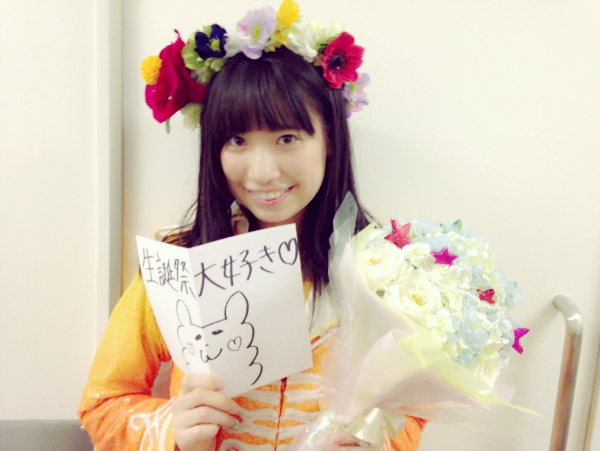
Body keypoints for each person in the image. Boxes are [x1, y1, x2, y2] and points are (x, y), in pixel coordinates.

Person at [78, 2, 426, 450]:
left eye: (287, 138)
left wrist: (377, 441)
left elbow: (412, 408)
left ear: (330, 139)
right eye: (237, 140)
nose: (262, 173)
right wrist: (169, 429)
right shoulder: (180, 265)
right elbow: (103, 402)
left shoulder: (383, 270)